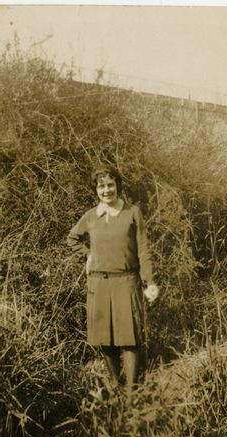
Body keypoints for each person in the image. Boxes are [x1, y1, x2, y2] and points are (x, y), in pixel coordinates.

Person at [67, 165, 159, 398]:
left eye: (110, 185)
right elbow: (72, 238)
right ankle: (116, 389)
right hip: (98, 284)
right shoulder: (90, 216)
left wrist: (150, 282)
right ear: (96, 189)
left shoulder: (132, 212)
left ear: (118, 186)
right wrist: (87, 255)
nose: (106, 190)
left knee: (129, 339)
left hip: (126, 281)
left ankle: (131, 396)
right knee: (104, 339)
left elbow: (143, 249)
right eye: (101, 186)